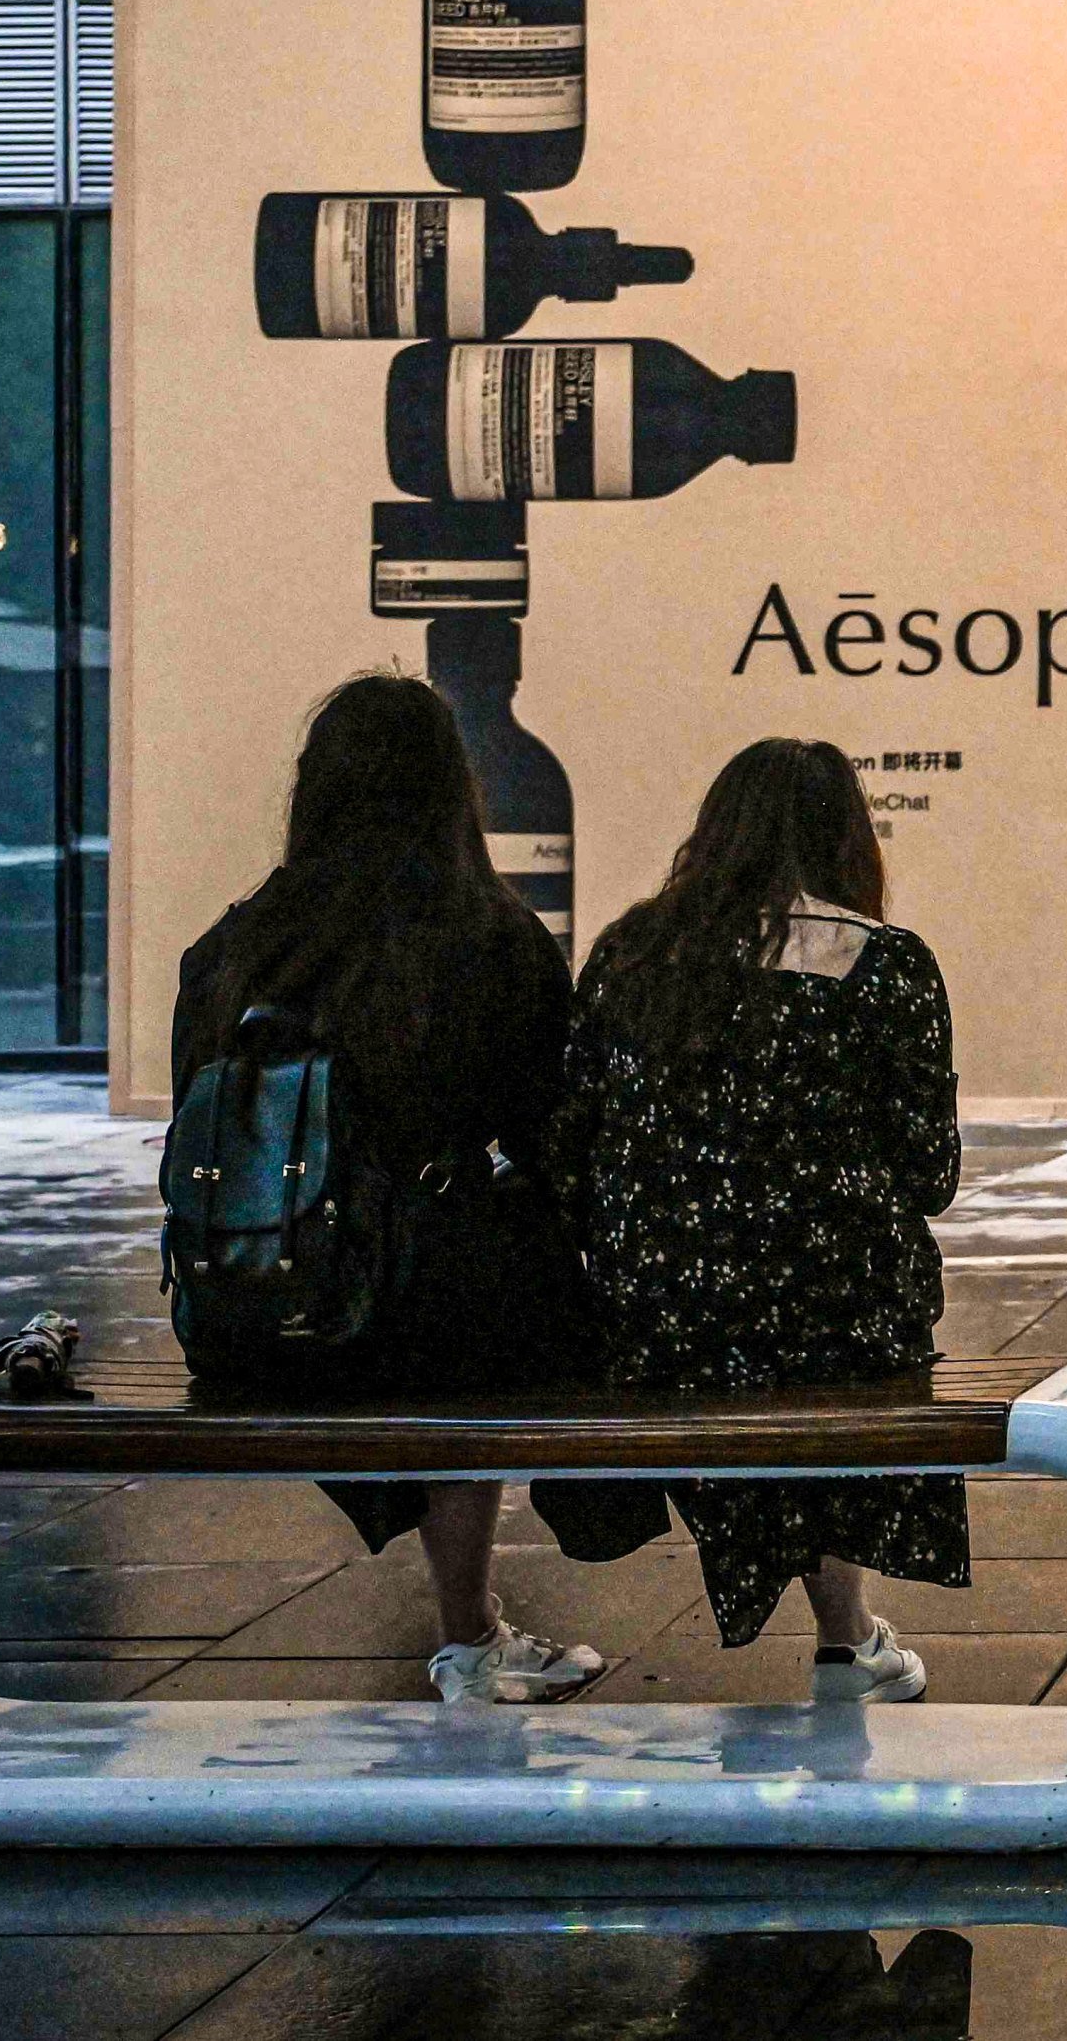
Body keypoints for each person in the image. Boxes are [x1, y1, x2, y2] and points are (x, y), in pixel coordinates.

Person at [169, 672, 629, 1707]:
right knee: (486, 1268)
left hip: (241, 1315)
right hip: (415, 1323)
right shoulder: (489, 938)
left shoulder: (230, 947)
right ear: (450, 791)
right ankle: (470, 1634)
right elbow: (555, 1136)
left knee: (452, 1274)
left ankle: (473, 1624)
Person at [556, 739, 968, 1698]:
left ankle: (849, 1635)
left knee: (762, 1327)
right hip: (833, 1315)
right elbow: (929, 1174)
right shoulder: (887, 963)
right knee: (833, 1318)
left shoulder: (630, 952)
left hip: (659, 1313)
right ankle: (848, 1640)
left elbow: (570, 1137)